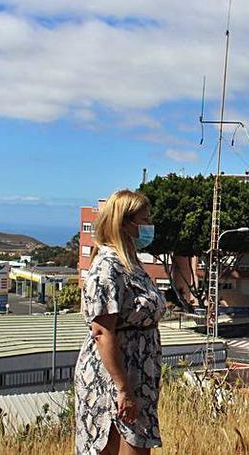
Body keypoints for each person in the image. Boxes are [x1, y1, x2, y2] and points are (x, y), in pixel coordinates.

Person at [75, 189, 167, 455]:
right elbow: (102, 332)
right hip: (116, 376)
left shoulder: (129, 262)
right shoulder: (107, 266)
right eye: (144, 219)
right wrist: (123, 388)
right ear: (125, 224)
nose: (149, 225)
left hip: (137, 374)